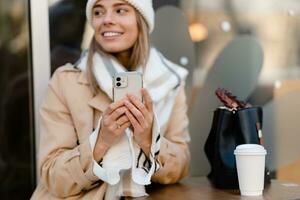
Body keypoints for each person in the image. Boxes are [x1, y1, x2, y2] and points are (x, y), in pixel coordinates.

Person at [31, 0, 190, 199]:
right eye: (98, 12)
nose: (106, 20)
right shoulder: (66, 82)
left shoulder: (170, 81)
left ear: (142, 19)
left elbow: (181, 166)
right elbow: (52, 176)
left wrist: (150, 141)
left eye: (120, 10)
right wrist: (100, 142)